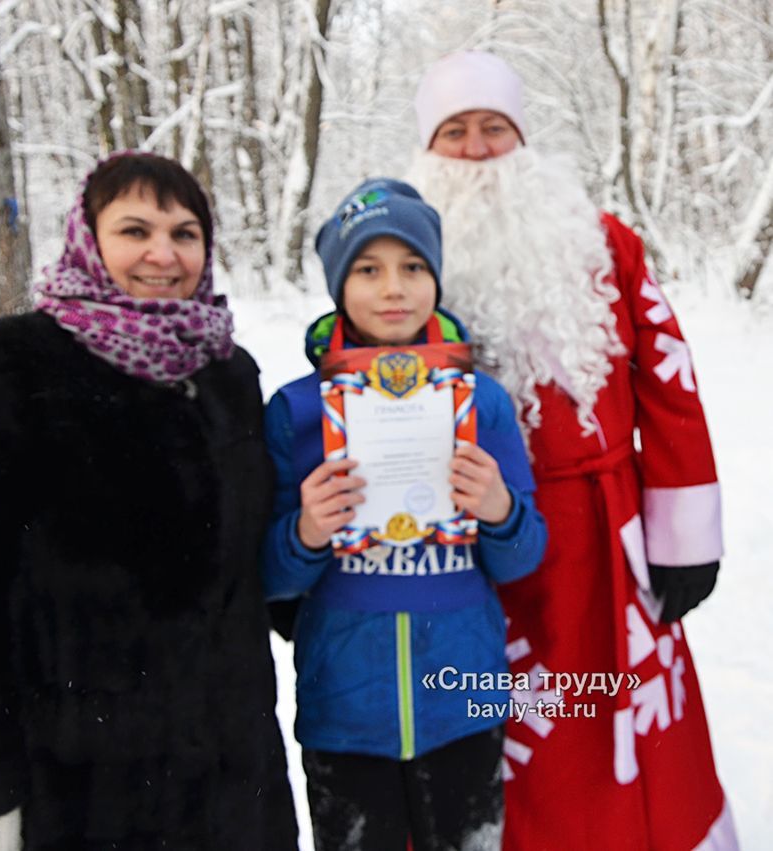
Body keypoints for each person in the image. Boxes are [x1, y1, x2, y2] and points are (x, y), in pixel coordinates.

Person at [0, 152, 298, 851]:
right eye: (135, 230)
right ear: (89, 238)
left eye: (185, 233)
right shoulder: (13, 379)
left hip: (231, 788)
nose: (162, 254)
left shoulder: (228, 376)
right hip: (78, 795)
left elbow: (250, 576)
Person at [407, 51, 737, 850]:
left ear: (524, 140)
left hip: (603, 535)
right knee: (501, 735)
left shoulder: (603, 242)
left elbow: (668, 384)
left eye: (495, 128)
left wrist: (683, 536)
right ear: (427, 149)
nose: (479, 148)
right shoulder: (402, 259)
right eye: (456, 132)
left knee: (611, 727)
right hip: (471, 548)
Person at [262, 178, 547, 851]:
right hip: (344, 710)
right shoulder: (298, 410)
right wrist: (305, 531)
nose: (394, 288)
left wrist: (499, 508)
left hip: (465, 702)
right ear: (338, 286)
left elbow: (527, 554)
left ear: (436, 278)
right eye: (368, 269)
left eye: (413, 267)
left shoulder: (485, 402)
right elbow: (268, 580)